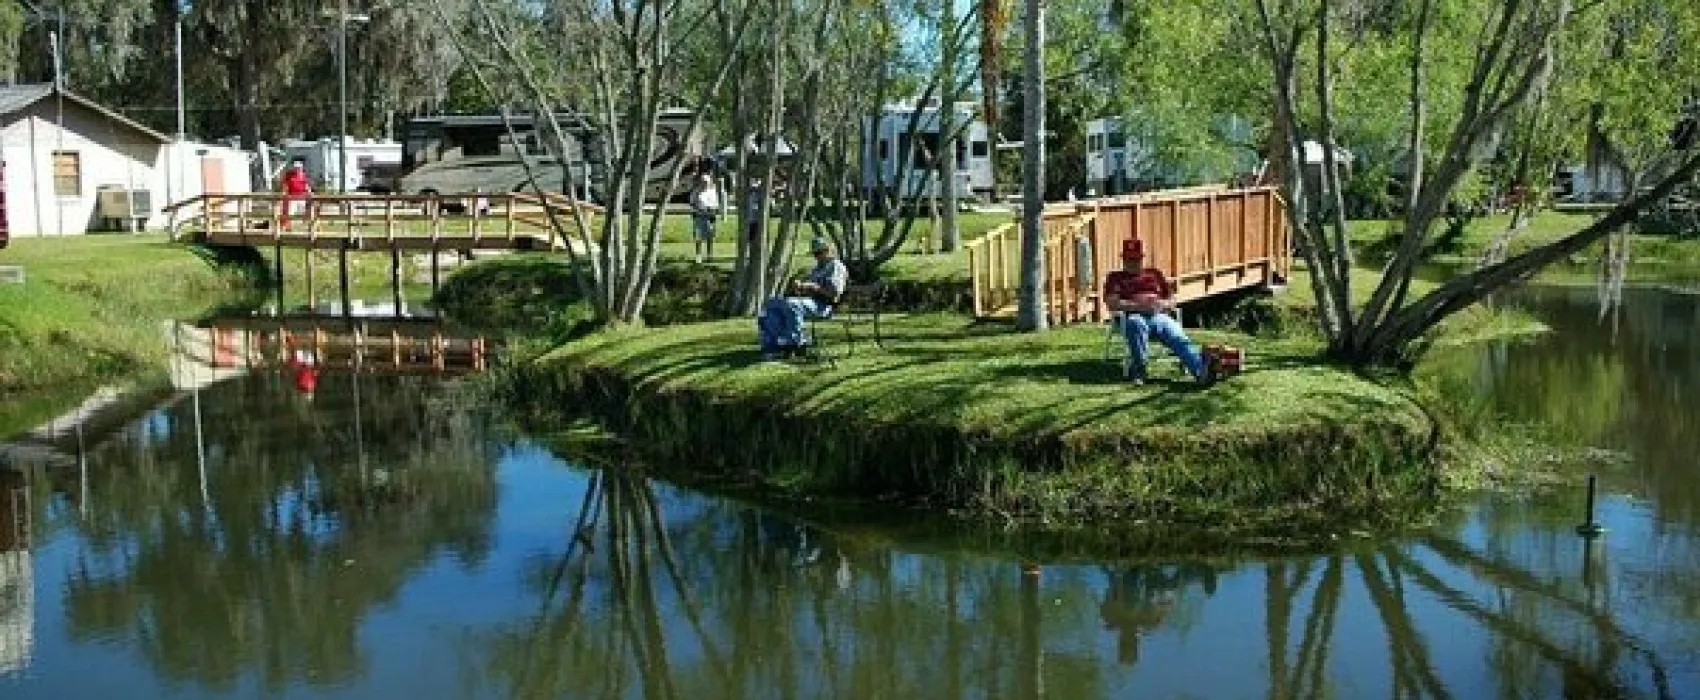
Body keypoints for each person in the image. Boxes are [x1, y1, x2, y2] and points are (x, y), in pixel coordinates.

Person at [1103, 238, 1210, 385]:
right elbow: (1112, 303)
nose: (1132, 263)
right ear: (1123, 259)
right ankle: (1140, 370)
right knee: (1136, 324)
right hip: (1131, 317)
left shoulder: (1154, 274)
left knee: (1175, 333)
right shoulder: (1115, 278)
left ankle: (1200, 371)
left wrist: (1162, 304)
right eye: (1129, 259)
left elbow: (1173, 300)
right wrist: (1139, 307)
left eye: (1136, 259)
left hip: (1158, 315)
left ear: (1142, 258)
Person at [756, 237, 849, 360]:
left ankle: (796, 344)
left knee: (792, 304)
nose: (817, 257)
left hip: (825, 306)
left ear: (829, 251)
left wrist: (813, 287)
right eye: (815, 254)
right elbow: (809, 289)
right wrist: (800, 287)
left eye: (819, 253)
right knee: (771, 304)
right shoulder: (817, 269)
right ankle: (773, 346)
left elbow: (834, 294)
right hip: (811, 302)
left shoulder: (836, 267)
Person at [688, 171, 722, 263]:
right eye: (703, 182)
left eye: (706, 182)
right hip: (699, 216)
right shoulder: (695, 191)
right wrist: (699, 209)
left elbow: (716, 204)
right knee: (698, 237)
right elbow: (692, 204)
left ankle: (709, 255)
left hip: (710, 217)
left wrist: (712, 209)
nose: (705, 184)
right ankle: (698, 255)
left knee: (710, 237)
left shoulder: (712, 192)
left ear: (709, 182)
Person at [279, 160, 313, 231]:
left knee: (304, 213)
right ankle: (288, 228)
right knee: (290, 213)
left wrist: (310, 193)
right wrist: (284, 193)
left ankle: (308, 229)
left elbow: (307, 185)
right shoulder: (289, 175)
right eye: (296, 167)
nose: (297, 169)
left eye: (299, 167)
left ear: (301, 167)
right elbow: (285, 185)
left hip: (302, 197)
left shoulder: (303, 175)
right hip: (292, 197)